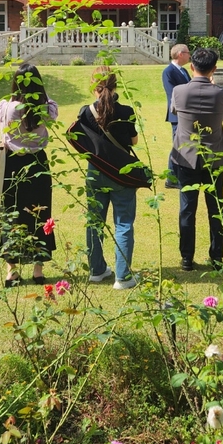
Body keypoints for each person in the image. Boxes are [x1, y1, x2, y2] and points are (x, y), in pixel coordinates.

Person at [0, 64, 58, 287]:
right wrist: (40, 95)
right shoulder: (44, 108)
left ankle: (11, 271)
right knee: (40, 213)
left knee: (11, 214)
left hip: (12, 164)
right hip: (38, 163)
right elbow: (53, 110)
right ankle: (38, 270)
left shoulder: (6, 107)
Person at [77, 68, 139, 290]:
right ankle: (122, 277)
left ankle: (96, 270)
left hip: (95, 172)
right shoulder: (126, 111)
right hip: (121, 172)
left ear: (94, 87)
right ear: (115, 86)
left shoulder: (85, 112)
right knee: (123, 223)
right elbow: (134, 141)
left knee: (94, 223)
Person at [169, 47, 223, 271]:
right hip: (214, 156)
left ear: (192, 66)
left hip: (186, 156)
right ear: (214, 69)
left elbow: (174, 112)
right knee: (216, 208)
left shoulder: (179, 91)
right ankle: (217, 256)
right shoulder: (221, 93)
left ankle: (187, 257)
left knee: (187, 209)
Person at [162, 43, 191, 188]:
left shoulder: (184, 70)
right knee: (177, 147)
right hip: (177, 114)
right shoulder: (168, 71)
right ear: (180, 54)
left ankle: (176, 177)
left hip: (186, 114)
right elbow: (173, 93)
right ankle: (171, 179)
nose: (189, 55)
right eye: (187, 53)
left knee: (182, 146)